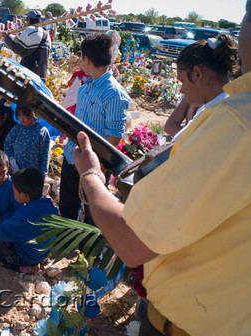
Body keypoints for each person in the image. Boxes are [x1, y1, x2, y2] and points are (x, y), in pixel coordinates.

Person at [72, 2, 251, 334]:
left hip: (192, 321)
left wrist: (91, 175)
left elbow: (132, 241)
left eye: (183, 79)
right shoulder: (228, 113)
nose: (180, 88)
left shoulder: (236, 123)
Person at [60, 33, 130, 222]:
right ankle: (67, 244)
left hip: (94, 164)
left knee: (93, 213)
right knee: (67, 204)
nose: (80, 60)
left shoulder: (114, 93)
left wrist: (100, 166)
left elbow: (114, 134)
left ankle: (89, 251)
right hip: (71, 156)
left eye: (81, 56)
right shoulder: (85, 88)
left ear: (87, 59)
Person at [0, 168, 59, 273]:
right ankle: (42, 259)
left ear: (23, 195)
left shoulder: (25, 216)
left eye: (14, 191)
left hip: (27, 256)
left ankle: (23, 267)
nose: (13, 193)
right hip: (42, 252)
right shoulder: (49, 205)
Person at [170, 33, 239, 141]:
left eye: (183, 81)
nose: (181, 90)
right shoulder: (212, 107)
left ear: (197, 74)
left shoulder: (219, 117)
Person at [1, 10, 51, 80]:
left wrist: (6, 38)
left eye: (26, 19)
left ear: (29, 19)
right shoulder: (47, 34)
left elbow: (17, 49)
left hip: (29, 75)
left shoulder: (29, 30)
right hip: (42, 77)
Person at [4, 106, 51, 176]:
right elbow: (7, 146)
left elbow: (45, 155)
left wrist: (42, 174)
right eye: (20, 115)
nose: (23, 118)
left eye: (26, 115)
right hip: (15, 171)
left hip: (33, 173)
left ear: (34, 115)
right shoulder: (16, 130)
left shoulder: (42, 132)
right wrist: (11, 162)